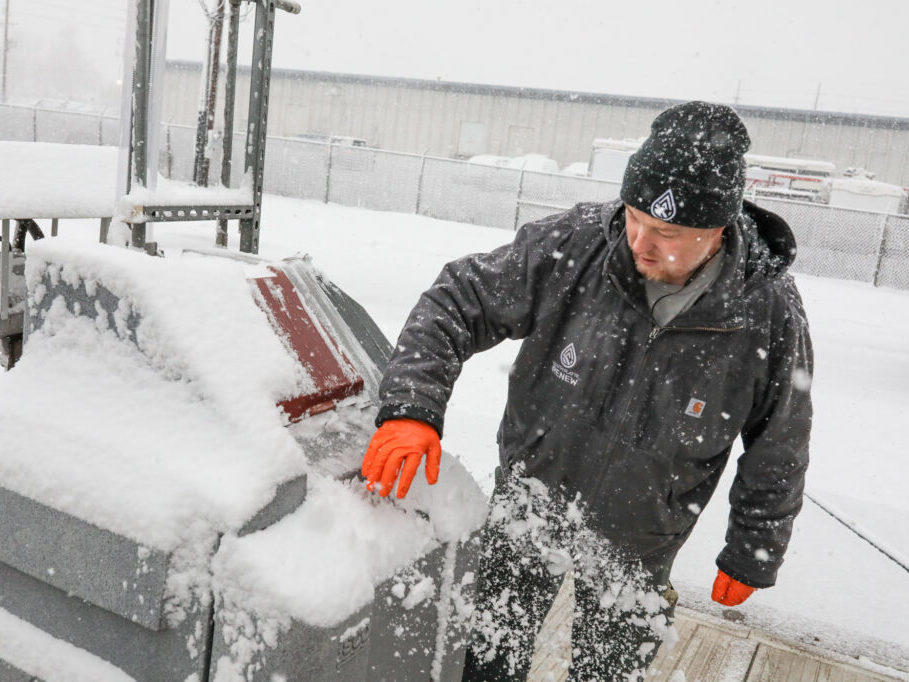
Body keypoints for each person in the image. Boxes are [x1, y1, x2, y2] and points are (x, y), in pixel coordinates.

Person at [361, 101, 813, 680]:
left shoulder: (766, 308)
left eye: (667, 233)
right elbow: (458, 299)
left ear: (717, 229)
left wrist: (755, 545)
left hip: (644, 535)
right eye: (634, 217)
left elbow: (782, 435)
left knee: (608, 672)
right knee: (485, 660)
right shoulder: (577, 244)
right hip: (529, 506)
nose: (640, 242)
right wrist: (411, 410)